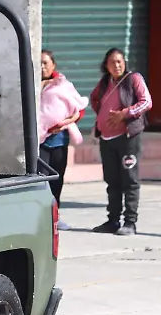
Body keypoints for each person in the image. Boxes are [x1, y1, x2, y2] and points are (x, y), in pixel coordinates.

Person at [89, 48, 152, 236]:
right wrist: (102, 119)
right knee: (112, 181)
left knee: (130, 181)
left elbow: (146, 102)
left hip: (127, 139)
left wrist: (124, 114)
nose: (116, 65)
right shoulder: (104, 83)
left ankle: (130, 222)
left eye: (119, 61)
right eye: (112, 62)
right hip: (107, 139)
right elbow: (95, 100)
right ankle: (113, 220)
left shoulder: (134, 79)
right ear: (106, 65)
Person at [38, 50, 86, 228]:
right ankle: (41, 219)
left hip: (58, 140)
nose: (43, 66)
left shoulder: (63, 84)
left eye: (46, 63)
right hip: (39, 141)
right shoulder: (31, 82)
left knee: (57, 180)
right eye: (39, 63)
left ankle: (55, 218)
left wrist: (67, 121)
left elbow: (79, 109)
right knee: (41, 180)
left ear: (53, 65)